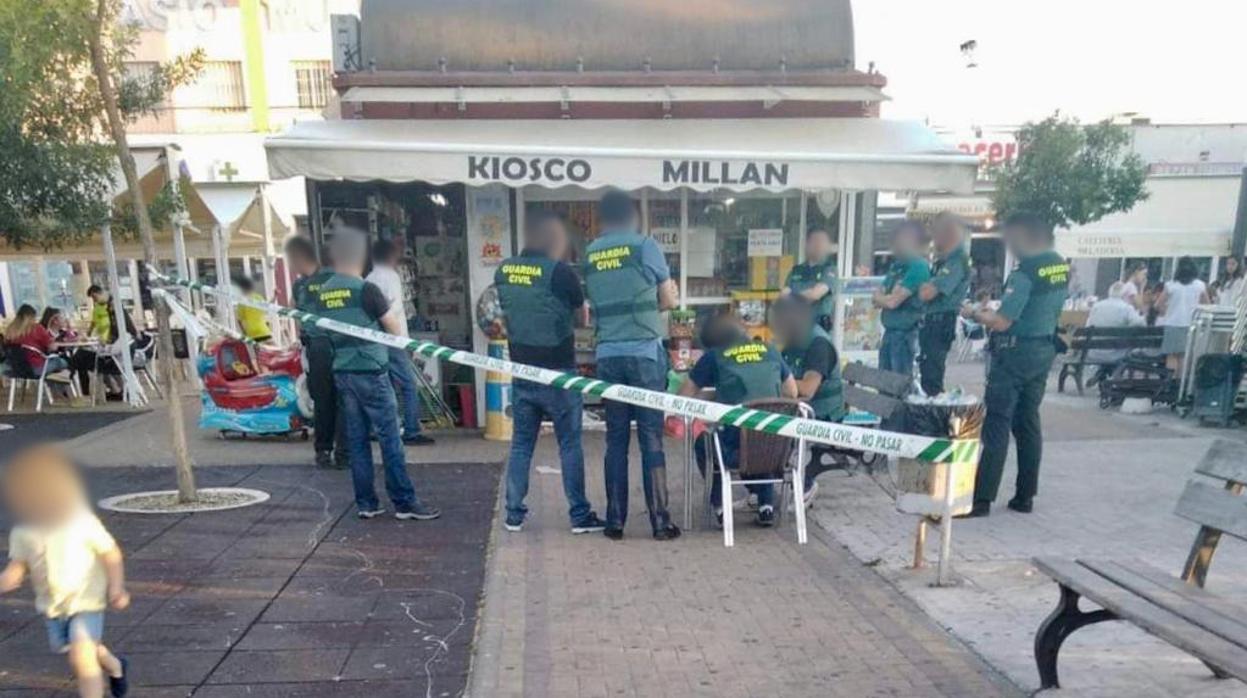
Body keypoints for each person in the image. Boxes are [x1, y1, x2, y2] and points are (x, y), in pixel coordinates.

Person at [315, 227, 439, 521]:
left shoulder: (324, 292)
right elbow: (393, 329)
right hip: (372, 369)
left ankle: (366, 503)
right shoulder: (365, 290)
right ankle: (404, 502)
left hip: (343, 371)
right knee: (389, 439)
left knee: (357, 441)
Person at [495, 210, 606, 534]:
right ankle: (579, 515)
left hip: (522, 371)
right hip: (558, 372)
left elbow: (501, 311)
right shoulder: (560, 273)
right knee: (569, 444)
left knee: (521, 445)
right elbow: (581, 319)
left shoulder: (504, 270)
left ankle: (513, 514)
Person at [584, 189, 681, 541]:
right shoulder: (644, 246)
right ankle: (659, 522)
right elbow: (669, 299)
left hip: (608, 354)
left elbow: (591, 304)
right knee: (651, 438)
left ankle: (614, 521)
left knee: (616, 441)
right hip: (643, 354)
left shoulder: (592, 252)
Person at [1, 444, 132, 698]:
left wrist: (117, 587)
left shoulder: (79, 521)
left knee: (82, 659)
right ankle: (116, 666)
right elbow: (14, 572)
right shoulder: (23, 532)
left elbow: (110, 552)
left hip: (86, 599)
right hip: (53, 606)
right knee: (82, 649)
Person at [961, 212, 1069, 517]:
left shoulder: (1026, 271)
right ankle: (1025, 495)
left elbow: (1002, 321)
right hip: (1042, 349)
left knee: (997, 423)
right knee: (1028, 423)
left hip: (1015, 353)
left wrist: (973, 313)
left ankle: (981, 499)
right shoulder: (1059, 264)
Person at [681, 314, 797, 527]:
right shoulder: (770, 350)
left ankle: (720, 506)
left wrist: (718, 396)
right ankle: (766, 505)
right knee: (762, 429)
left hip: (735, 452)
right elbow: (791, 392)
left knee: (704, 441)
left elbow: (684, 396)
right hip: (776, 451)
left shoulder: (715, 357)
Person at [770, 296, 846, 502]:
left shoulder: (819, 344)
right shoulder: (793, 341)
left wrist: (775, 384)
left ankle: (803, 485)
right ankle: (763, 492)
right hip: (796, 410)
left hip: (821, 415)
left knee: (763, 435)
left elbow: (808, 389)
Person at [367, 239, 433, 445]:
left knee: (384, 386)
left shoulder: (369, 279)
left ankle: (384, 428)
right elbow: (393, 311)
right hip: (394, 341)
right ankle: (412, 430)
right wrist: (404, 343)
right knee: (408, 385)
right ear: (389, 256)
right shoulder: (391, 277)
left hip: (377, 341)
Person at [286, 236, 343, 469]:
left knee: (321, 400)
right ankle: (345, 452)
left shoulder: (302, 284)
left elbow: (292, 311)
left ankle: (323, 450)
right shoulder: (344, 282)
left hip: (315, 347)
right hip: (341, 347)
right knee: (344, 399)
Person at [917, 213, 971, 395]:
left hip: (940, 323)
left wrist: (926, 287)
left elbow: (928, 293)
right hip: (932, 322)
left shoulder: (957, 260)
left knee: (932, 377)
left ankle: (932, 419)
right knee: (926, 372)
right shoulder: (944, 259)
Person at [872, 221, 931, 378]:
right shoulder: (897, 266)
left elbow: (893, 302)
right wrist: (885, 297)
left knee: (899, 384)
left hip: (906, 333)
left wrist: (885, 298)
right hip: (889, 332)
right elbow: (876, 296)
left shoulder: (918, 266)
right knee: (883, 382)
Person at [1155, 256, 1210, 373]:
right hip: (1191, 324)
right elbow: (1207, 305)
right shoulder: (1200, 285)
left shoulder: (1171, 285)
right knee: (1184, 356)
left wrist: (1166, 312)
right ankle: (1181, 383)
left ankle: (1170, 382)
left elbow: (1158, 304)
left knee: (1172, 355)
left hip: (1172, 324)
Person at [781, 228, 837, 330]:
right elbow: (784, 297)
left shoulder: (829, 269)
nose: (818, 246)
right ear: (807, 245)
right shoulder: (796, 270)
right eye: (814, 242)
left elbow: (815, 295)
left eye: (821, 242)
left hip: (819, 330)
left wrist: (793, 298)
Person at [1084, 281, 1146, 371]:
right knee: (1129, 345)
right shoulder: (1126, 308)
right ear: (1124, 294)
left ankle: (1103, 372)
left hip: (1094, 352)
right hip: (1116, 353)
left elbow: (1088, 326)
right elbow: (1141, 323)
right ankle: (1112, 373)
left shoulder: (1096, 306)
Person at [233, 276, 272, 343]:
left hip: (251, 333)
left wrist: (245, 333)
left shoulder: (242, 302)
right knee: (272, 350)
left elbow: (240, 321)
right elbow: (268, 307)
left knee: (257, 352)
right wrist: (275, 296)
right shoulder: (258, 297)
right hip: (263, 330)